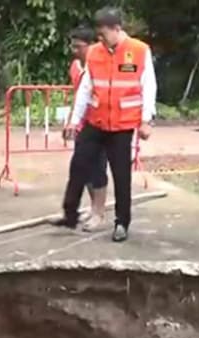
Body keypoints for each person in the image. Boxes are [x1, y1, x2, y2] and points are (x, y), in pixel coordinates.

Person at [55, 7, 157, 243]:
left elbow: (149, 87)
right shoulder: (95, 53)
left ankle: (122, 223)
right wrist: (74, 121)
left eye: (103, 34)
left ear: (117, 29)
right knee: (79, 165)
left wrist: (146, 120)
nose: (99, 39)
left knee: (121, 175)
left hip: (122, 126)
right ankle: (70, 214)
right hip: (95, 121)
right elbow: (85, 89)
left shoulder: (140, 51)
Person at [68, 25, 110, 232]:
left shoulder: (101, 65)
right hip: (82, 125)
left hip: (99, 124)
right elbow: (77, 97)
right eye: (72, 46)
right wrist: (71, 121)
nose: (75, 50)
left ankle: (99, 213)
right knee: (83, 169)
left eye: (79, 46)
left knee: (98, 170)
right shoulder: (76, 67)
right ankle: (93, 208)